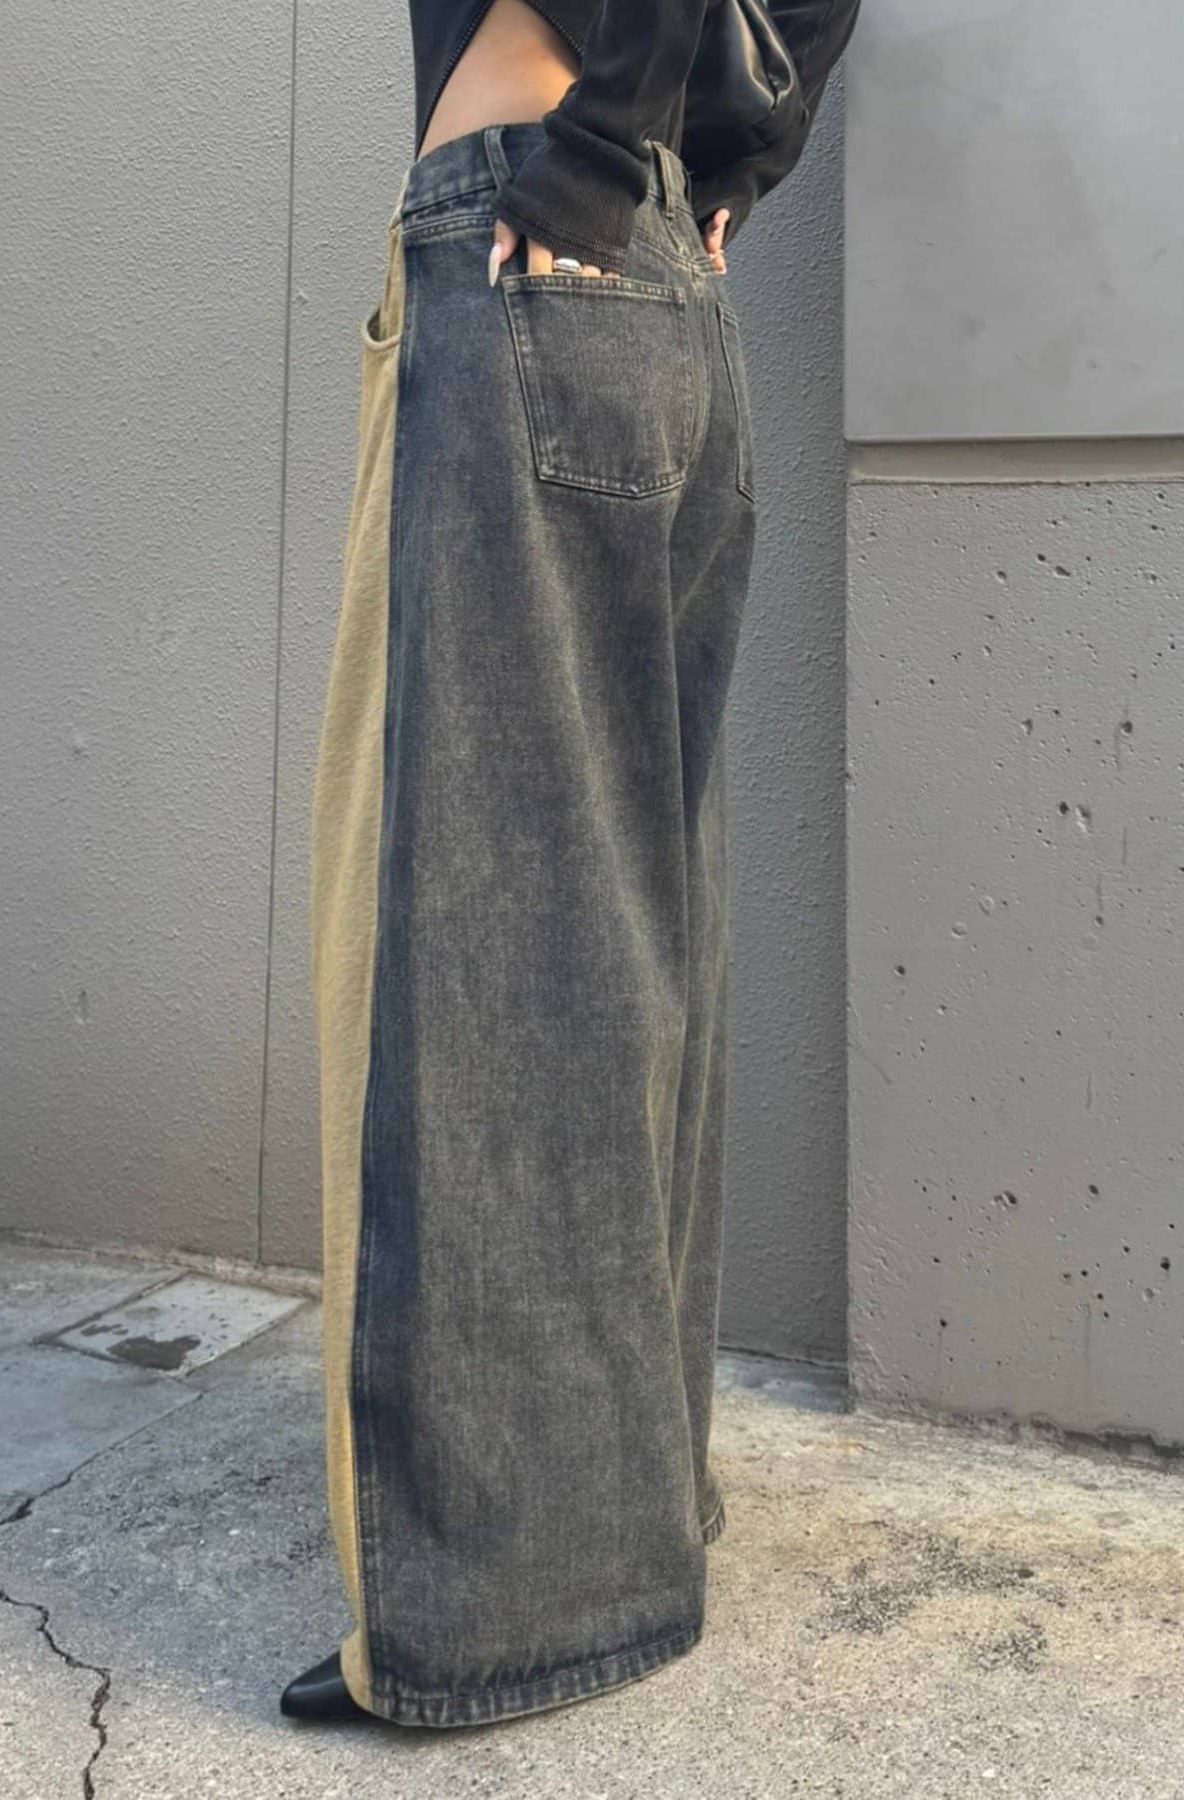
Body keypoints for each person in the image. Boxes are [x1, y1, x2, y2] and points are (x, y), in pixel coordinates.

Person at [288, 0, 862, 1730]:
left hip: (536, 231)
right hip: (662, 285)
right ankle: (618, 1527)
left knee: (473, 957)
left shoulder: (571, 168)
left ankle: (502, 1613)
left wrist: (602, 139)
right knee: (630, 944)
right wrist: (732, 155)